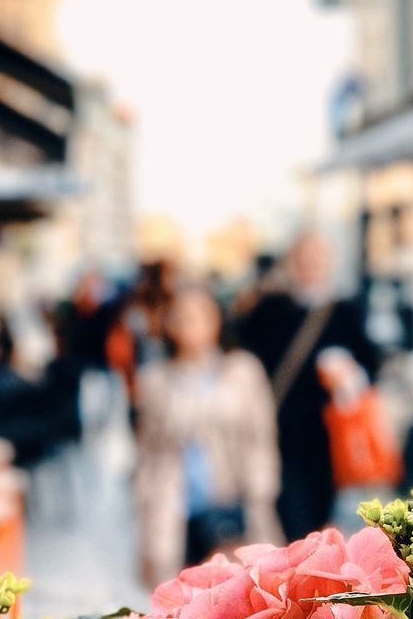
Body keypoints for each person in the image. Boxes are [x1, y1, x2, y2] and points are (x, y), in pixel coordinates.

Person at [238, 231, 381, 541]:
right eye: (303, 259)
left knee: (319, 516)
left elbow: (370, 365)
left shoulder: (344, 311)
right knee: (293, 518)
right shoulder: (269, 308)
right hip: (279, 431)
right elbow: (242, 354)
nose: (310, 266)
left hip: (328, 435)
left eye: (316, 259)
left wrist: (349, 374)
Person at [135, 284, 281, 585]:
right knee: (183, 597)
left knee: (237, 591)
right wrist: (146, 495)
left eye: (198, 316)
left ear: (216, 320)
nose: (190, 325)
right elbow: (148, 446)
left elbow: (261, 436)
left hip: (233, 498)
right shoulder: (156, 380)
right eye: (181, 317)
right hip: (176, 502)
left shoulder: (242, 371)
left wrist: (260, 489)